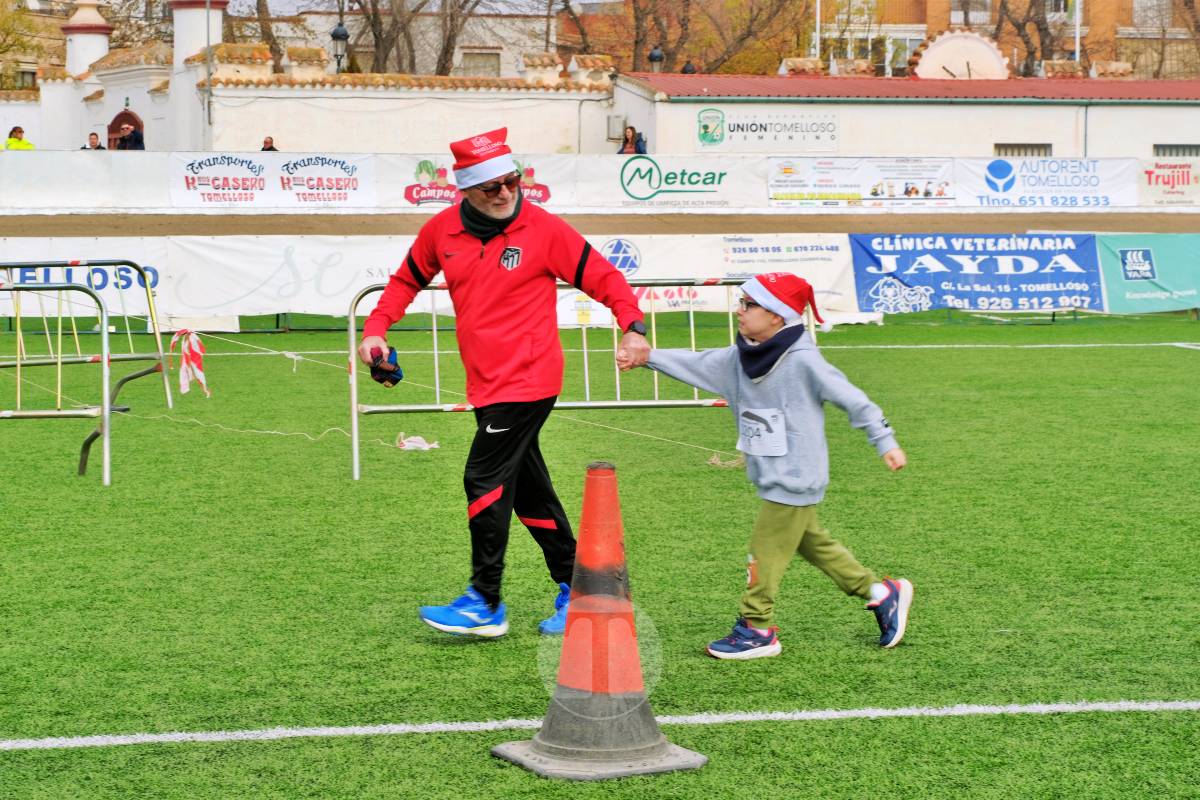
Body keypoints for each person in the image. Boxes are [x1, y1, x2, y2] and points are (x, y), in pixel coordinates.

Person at [357, 127, 650, 639]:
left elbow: (605, 277)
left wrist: (633, 325)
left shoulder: (545, 230)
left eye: (512, 181)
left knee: (483, 479)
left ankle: (485, 601)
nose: (505, 192)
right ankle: (586, 589)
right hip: (485, 383)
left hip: (530, 380)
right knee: (530, 493)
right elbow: (405, 281)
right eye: (491, 186)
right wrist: (376, 330)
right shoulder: (441, 232)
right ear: (465, 189)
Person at [621, 272, 912, 660]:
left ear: (776, 315)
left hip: (795, 478)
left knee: (764, 553)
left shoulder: (804, 361)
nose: (738, 311)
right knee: (813, 544)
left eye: (748, 305)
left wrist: (885, 441)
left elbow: (855, 400)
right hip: (771, 477)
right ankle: (881, 593)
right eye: (740, 302)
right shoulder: (739, 357)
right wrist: (646, 357)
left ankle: (757, 628)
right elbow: (697, 363)